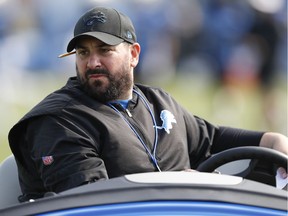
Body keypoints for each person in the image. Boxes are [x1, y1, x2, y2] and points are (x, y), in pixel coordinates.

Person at [8, 6, 288, 202]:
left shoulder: (157, 102)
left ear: (134, 54)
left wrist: (272, 141)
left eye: (104, 51)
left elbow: (212, 139)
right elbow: (89, 203)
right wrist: (178, 185)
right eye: (83, 53)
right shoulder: (59, 119)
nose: (92, 62)